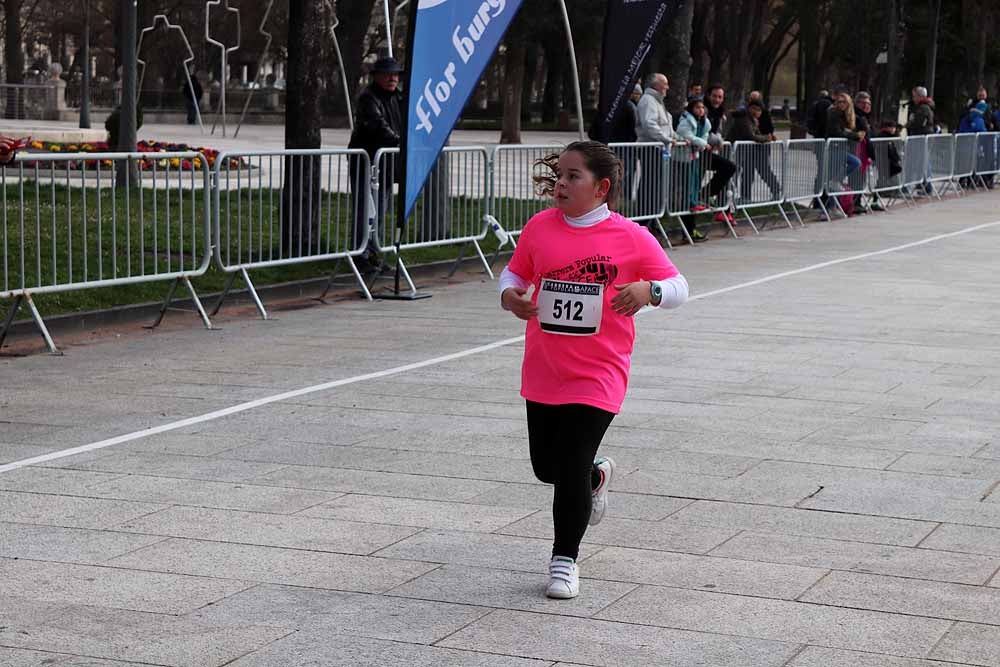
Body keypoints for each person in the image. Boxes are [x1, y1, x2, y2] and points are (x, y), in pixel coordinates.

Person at [498, 140, 688, 599]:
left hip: (599, 371)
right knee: (547, 467)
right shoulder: (540, 228)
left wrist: (649, 292)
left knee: (569, 465)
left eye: (572, 177)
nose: (560, 184)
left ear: (601, 188)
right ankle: (596, 475)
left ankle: (564, 561)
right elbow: (514, 275)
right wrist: (511, 297)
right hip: (545, 368)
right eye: (559, 175)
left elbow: (679, 285)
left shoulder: (631, 237)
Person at [348, 56, 404, 271]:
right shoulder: (368, 98)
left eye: (395, 74)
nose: (393, 78)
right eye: (388, 74)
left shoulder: (398, 97)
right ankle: (360, 254)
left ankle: (372, 251)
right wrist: (400, 142)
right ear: (377, 76)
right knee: (366, 209)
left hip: (387, 163)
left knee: (381, 209)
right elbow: (377, 125)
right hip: (367, 162)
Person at [675, 97, 734, 242]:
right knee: (689, 190)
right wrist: (703, 143)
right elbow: (686, 134)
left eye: (702, 108)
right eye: (697, 108)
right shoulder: (687, 120)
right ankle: (688, 231)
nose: (701, 110)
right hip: (686, 157)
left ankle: (705, 194)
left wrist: (713, 142)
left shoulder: (707, 120)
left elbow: (707, 135)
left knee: (729, 167)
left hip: (699, 154)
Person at [634, 73, 674, 224]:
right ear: (656, 85)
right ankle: (644, 220)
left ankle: (652, 219)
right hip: (651, 148)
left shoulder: (657, 101)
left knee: (656, 186)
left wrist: (675, 138)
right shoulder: (648, 101)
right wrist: (667, 139)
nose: (667, 87)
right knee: (650, 185)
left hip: (658, 148)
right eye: (665, 84)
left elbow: (665, 126)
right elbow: (650, 125)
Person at [727, 100, 780, 203]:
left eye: (759, 110)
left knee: (748, 174)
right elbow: (750, 136)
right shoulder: (743, 119)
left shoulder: (754, 120)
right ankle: (728, 198)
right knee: (733, 173)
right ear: (749, 108)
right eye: (754, 109)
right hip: (735, 150)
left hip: (746, 151)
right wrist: (766, 138)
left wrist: (768, 137)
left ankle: (745, 197)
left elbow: (757, 133)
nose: (756, 112)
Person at [703, 84, 736, 225]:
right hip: (698, 151)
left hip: (710, 149)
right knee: (728, 167)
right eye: (715, 96)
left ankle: (723, 208)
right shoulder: (702, 110)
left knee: (728, 171)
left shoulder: (720, 113)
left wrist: (718, 140)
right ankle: (704, 196)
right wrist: (718, 140)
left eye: (720, 97)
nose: (717, 100)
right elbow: (705, 133)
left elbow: (717, 132)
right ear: (708, 96)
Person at [826, 92, 865, 198]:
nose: (841, 104)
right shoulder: (834, 113)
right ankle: (831, 206)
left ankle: (836, 183)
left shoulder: (848, 115)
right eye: (839, 102)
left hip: (842, 148)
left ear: (848, 103)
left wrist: (857, 134)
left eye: (844, 102)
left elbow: (847, 130)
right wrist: (855, 135)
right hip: (834, 148)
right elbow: (838, 131)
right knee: (855, 162)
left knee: (855, 163)